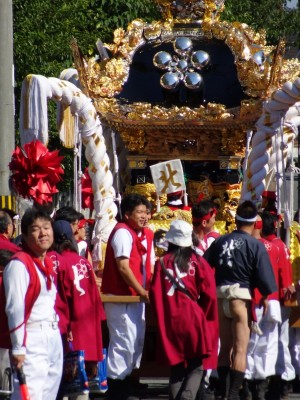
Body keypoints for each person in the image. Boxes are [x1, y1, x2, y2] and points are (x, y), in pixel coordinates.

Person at [204, 200, 277, 400]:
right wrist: (265, 296)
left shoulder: (220, 241)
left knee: (224, 348)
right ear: (255, 223)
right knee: (241, 350)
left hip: (220, 297)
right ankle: (234, 393)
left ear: (235, 220)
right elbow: (266, 282)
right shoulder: (255, 244)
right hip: (241, 298)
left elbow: (203, 264)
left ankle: (222, 392)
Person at [150, 219, 218, 400]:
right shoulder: (198, 262)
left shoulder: (161, 262)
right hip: (193, 316)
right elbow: (210, 295)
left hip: (170, 318)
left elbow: (155, 295)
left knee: (177, 365)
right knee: (197, 364)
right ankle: (187, 397)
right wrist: (205, 315)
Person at [3, 207, 63, 399]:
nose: (43, 233)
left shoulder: (44, 263)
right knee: (31, 393)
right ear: (26, 235)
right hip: (33, 339)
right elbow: (15, 309)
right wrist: (19, 348)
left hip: (52, 336)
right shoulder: (19, 264)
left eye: (47, 227)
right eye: (36, 229)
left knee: (48, 394)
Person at [101, 193, 154, 400]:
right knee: (122, 341)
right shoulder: (123, 233)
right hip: (120, 297)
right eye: (139, 212)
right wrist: (142, 291)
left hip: (137, 297)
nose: (145, 216)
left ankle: (127, 383)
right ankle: (116, 390)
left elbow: (148, 265)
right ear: (127, 214)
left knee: (135, 341)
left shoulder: (146, 234)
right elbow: (123, 267)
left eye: (146, 212)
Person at [50, 220, 104, 390]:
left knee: (68, 378)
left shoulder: (57, 261)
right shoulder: (83, 262)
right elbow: (95, 294)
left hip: (71, 322)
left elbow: (61, 298)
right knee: (84, 380)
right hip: (88, 320)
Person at [244, 215, 283, 400]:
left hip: (250, 300)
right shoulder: (276, 246)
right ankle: (260, 386)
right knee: (267, 347)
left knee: (247, 345)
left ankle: (249, 385)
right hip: (269, 299)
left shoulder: (246, 246)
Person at [261, 210, 296, 399]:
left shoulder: (265, 245)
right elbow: (286, 271)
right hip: (281, 298)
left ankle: (276, 378)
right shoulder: (280, 245)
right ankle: (284, 377)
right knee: (281, 339)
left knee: (268, 341)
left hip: (269, 299)